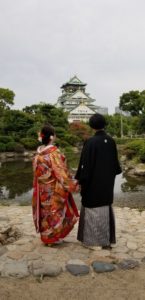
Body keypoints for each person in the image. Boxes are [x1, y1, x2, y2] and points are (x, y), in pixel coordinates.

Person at [75, 113, 122, 250]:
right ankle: (106, 241)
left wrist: (80, 180)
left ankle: (91, 241)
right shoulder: (111, 141)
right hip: (106, 184)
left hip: (92, 185)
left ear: (91, 126)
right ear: (104, 125)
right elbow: (115, 166)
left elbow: (85, 165)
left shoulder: (90, 142)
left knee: (92, 208)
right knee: (105, 208)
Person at [32, 124, 79, 246]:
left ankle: (47, 238)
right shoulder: (53, 153)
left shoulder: (38, 154)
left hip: (42, 188)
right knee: (54, 213)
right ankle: (53, 238)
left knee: (45, 213)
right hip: (54, 188)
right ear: (52, 137)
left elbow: (36, 173)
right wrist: (72, 184)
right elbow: (61, 172)